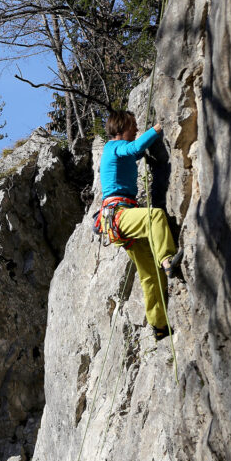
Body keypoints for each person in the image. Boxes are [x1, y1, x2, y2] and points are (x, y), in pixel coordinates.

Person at [97, 110, 183, 340]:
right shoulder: (113, 147)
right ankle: (167, 259)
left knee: (150, 275)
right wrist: (157, 129)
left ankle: (159, 326)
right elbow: (133, 149)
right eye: (133, 125)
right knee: (154, 217)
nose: (136, 129)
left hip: (117, 220)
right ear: (121, 127)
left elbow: (134, 154)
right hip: (119, 214)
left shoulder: (116, 153)